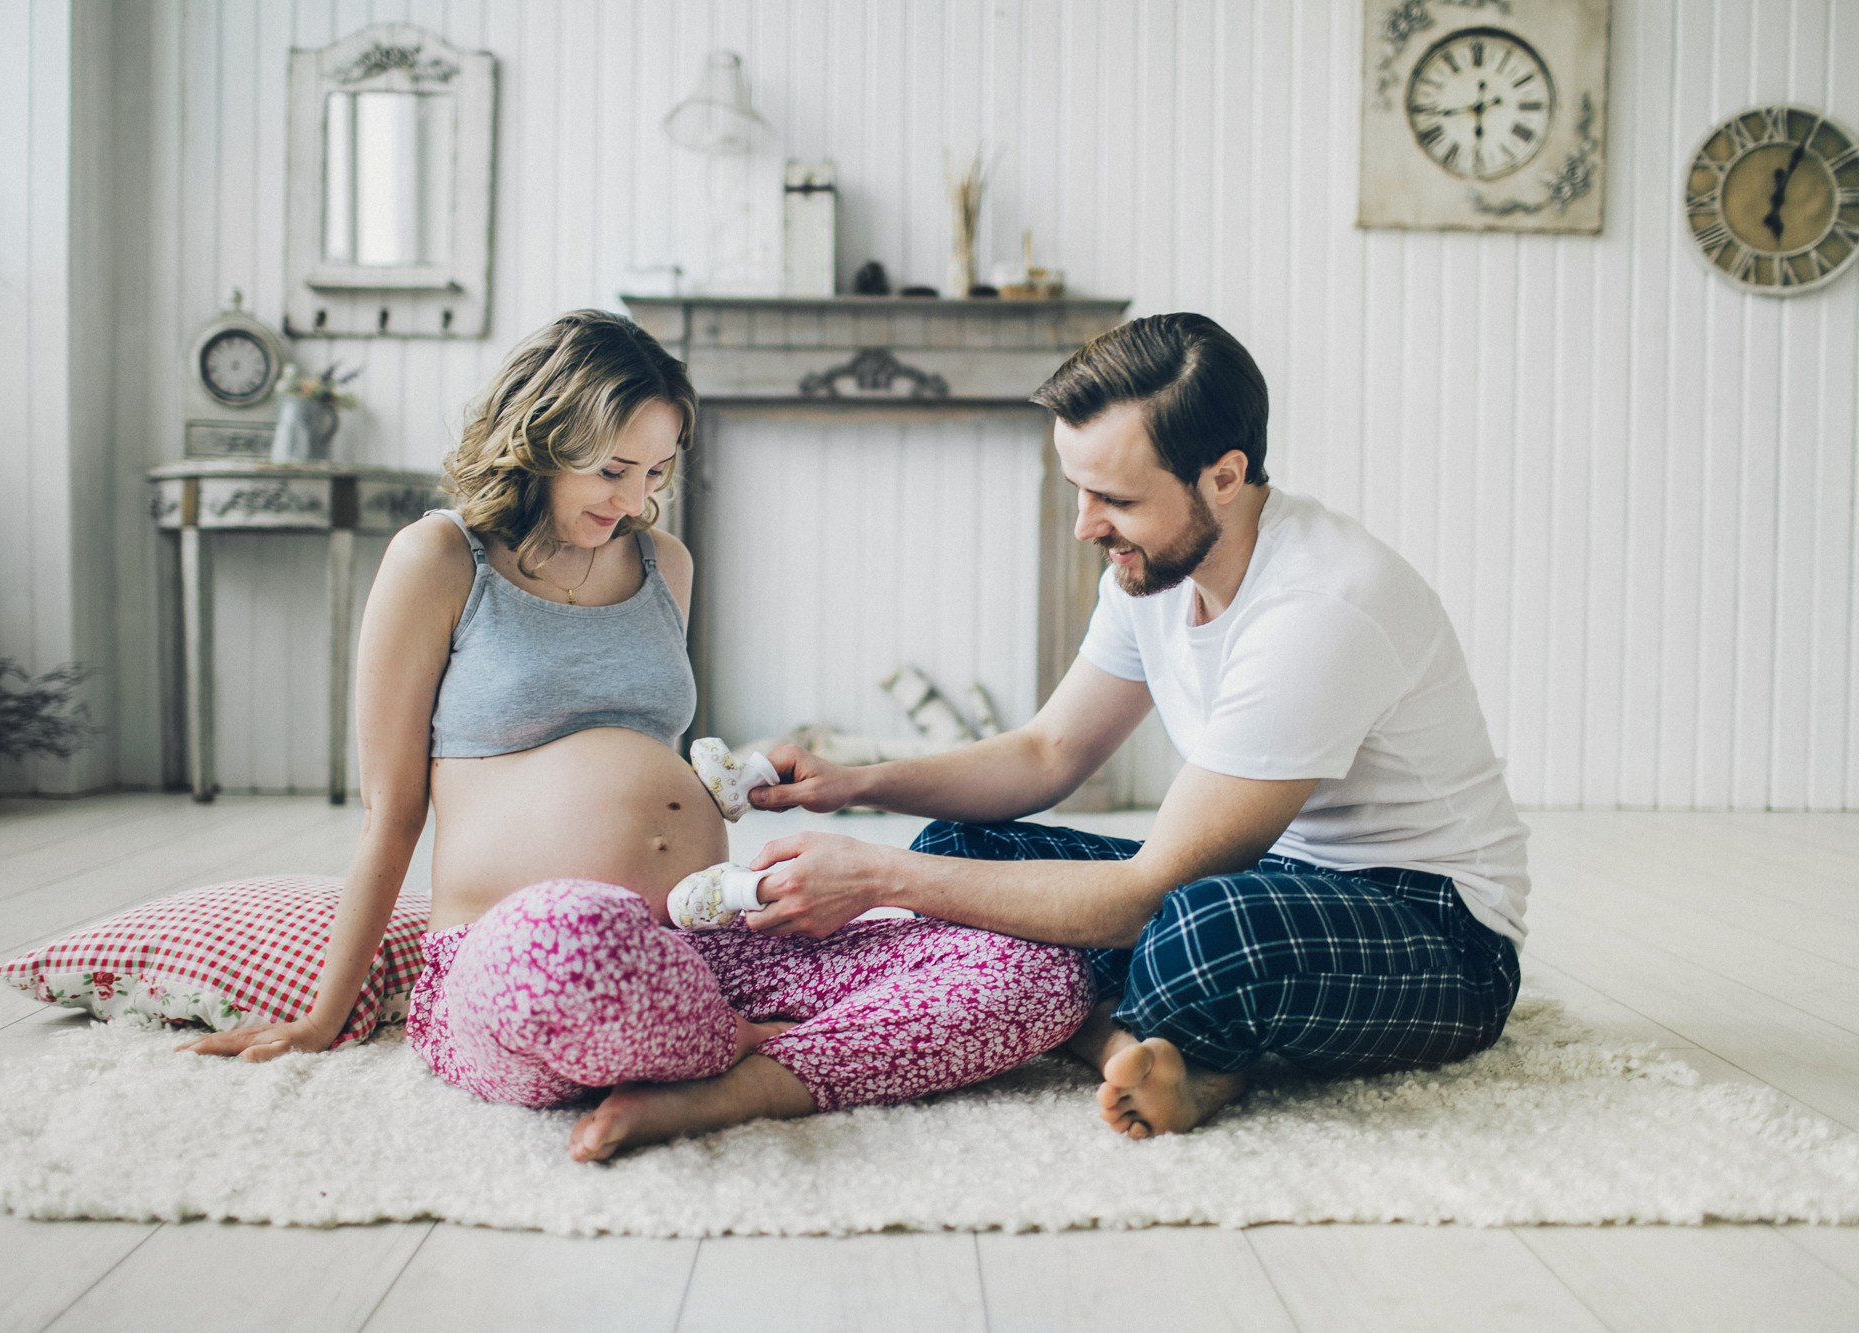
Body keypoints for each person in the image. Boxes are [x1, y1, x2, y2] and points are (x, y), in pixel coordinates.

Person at [182, 310, 1092, 1161]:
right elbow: (391, 812)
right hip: (523, 958)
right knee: (569, 930)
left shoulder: (666, 565)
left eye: (655, 473)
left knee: (1035, 972)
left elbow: (646, 748)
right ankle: (733, 1052)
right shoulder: (438, 558)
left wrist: (739, 781)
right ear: (540, 436)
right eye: (613, 469)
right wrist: (320, 1017)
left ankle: (728, 1084)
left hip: (701, 948)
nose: (633, 498)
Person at [742, 312, 1528, 1141]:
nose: (1086, 525)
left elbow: (1146, 895)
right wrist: (858, 783)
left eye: (1115, 498)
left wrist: (875, 878)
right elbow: (1047, 753)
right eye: (1079, 489)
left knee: (1199, 931)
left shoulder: (1322, 605)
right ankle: (1145, 1045)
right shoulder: (1150, 568)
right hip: (1271, 874)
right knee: (958, 846)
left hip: (1437, 928)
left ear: (1223, 476)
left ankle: (1101, 1023)